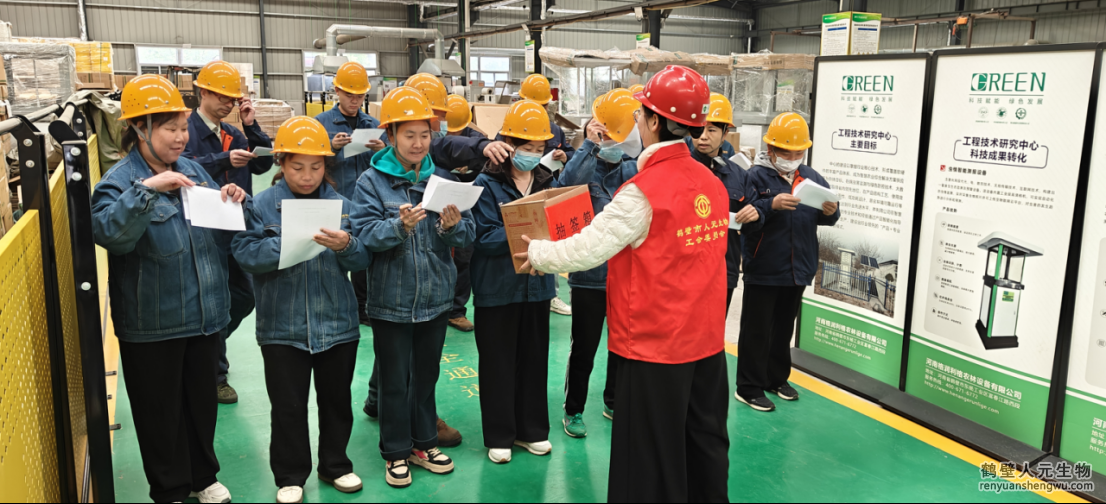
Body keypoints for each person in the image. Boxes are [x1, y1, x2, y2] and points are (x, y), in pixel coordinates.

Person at [515, 65, 731, 502]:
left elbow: (589, 247)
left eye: (640, 114)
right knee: (704, 446)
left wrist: (536, 253)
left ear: (653, 121)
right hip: (707, 345)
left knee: (648, 457)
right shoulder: (711, 182)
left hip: (656, 347)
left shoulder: (643, 191)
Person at [92, 75, 247, 504]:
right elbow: (110, 234)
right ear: (139, 128)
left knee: (201, 405)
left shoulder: (192, 170)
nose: (181, 137)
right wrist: (147, 192)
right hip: (153, 323)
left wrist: (231, 197)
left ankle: (203, 478)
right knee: (159, 413)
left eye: (182, 127)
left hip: (203, 316)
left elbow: (216, 230)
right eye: (170, 129)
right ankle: (170, 489)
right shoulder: (119, 181)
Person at [231, 117, 370, 504]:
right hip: (282, 325)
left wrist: (346, 246)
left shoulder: (343, 207)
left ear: (326, 165)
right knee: (288, 406)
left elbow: (362, 259)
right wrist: (290, 244)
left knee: (336, 401)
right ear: (281, 162)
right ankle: (290, 474)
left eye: (316, 167)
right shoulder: (260, 206)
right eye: (297, 167)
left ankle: (335, 465)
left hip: (337, 323)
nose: (307, 176)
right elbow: (245, 253)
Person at [350, 87, 476, 488]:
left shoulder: (442, 181)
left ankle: (423, 444)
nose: (418, 143)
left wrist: (453, 227)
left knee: (425, 378)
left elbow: (468, 234)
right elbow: (364, 236)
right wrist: (398, 227)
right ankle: (395, 451)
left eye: (425, 134)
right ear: (390, 136)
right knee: (394, 381)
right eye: (409, 135)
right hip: (391, 300)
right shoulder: (371, 183)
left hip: (436, 300)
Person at [470, 99, 595, 464]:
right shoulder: (486, 184)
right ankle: (500, 435)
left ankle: (532, 431)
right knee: (498, 363)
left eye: (539, 148)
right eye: (526, 147)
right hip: (497, 289)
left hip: (538, 288)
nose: (533, 154)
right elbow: (481, 237)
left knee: (534, 360)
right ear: (507, 144)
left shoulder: (548, 183)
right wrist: (527, 237)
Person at [183, 60, 273, 404]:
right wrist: (223, 160)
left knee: (244, 296)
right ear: (203, 92)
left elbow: (263, 164)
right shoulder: (186, 130)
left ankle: (209, 351)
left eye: (232, 99)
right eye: (222, 96)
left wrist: (251, 126)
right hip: (202, 230)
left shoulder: (234, 133)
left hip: (235, 229)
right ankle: (215, 374)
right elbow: (183, 169)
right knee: (212, 301)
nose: (228, 104)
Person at [737, 112, 840, 413]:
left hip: (799, 268)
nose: (792, 158)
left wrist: (831, 211)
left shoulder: (812, 178)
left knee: (783, 328)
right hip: (765, 266)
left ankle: (776, 378)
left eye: (798, 153)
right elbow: (742, 218)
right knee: (757, 330)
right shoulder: (754, 177)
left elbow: (827, 216)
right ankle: (749, 387)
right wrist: (770, 204)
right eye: (786, 152)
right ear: (770, 149)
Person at [558, 89, 641, 439]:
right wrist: (589, 145)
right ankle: (573, 409)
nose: (613, 142)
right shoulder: (585, 166)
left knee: (622, 345)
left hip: (625, 276)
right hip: (590, 276)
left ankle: (614, 400)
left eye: (619, 136)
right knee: (585, 347)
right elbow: (565, 187)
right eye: (607, 134)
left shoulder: (633, 167)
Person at [315, 61, 385, 328]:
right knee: (332, 255)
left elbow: (387, 164)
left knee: (362, 254)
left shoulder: (373, 125)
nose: (355, 100)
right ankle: (333, 308)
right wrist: (330, 147)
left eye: (360, 95)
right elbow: (310, 162)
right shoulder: (320, 124)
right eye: (349, 94)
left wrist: (381, 151)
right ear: (337, 91)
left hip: (367, 201)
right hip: (335, 198)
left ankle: (362, 308)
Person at [687, 92, 764, 313]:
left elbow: (754, 220)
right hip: (684, 270)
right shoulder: (678, 170)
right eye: (699, 129)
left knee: (714, 329)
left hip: (723, 271)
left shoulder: (739, 176)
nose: (703, 137)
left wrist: (755, 214)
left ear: (725, 134)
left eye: (711, 130)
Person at [444, 94, 486, 333]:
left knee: (464, 256)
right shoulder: (435, 137)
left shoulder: (478, 141)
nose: (453, 136)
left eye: (457, 131)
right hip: (436, 200)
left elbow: (488, 168)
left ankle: (456, 311)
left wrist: (469, 167)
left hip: (467, 204)